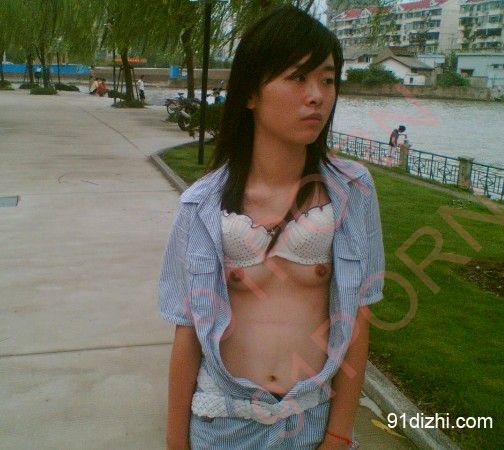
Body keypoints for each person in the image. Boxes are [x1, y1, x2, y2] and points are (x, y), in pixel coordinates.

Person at [159, 6, 384, 450]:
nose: (317, 96)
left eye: (327, 79)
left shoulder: (353, 191)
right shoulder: (201, 206)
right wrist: (175, 443)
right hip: (223, 422)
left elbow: (358, 320)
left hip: (312, 420)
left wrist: (339, 434)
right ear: (250, 94)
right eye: (297, 77)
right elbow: (187, 331)